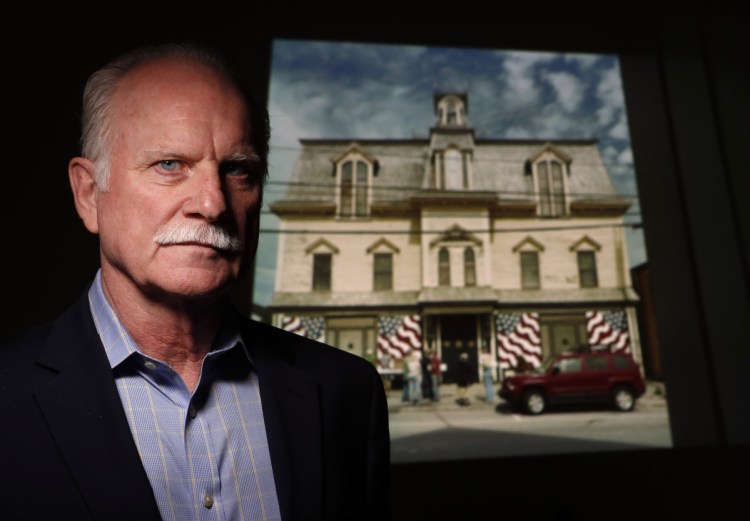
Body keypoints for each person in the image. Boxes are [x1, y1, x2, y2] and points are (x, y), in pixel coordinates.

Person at [0, 42, 391, 521]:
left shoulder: (346, 392)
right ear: (88, 194)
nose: (213, 203)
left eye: (237, 170)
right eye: (169, 165)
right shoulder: (7, 399)